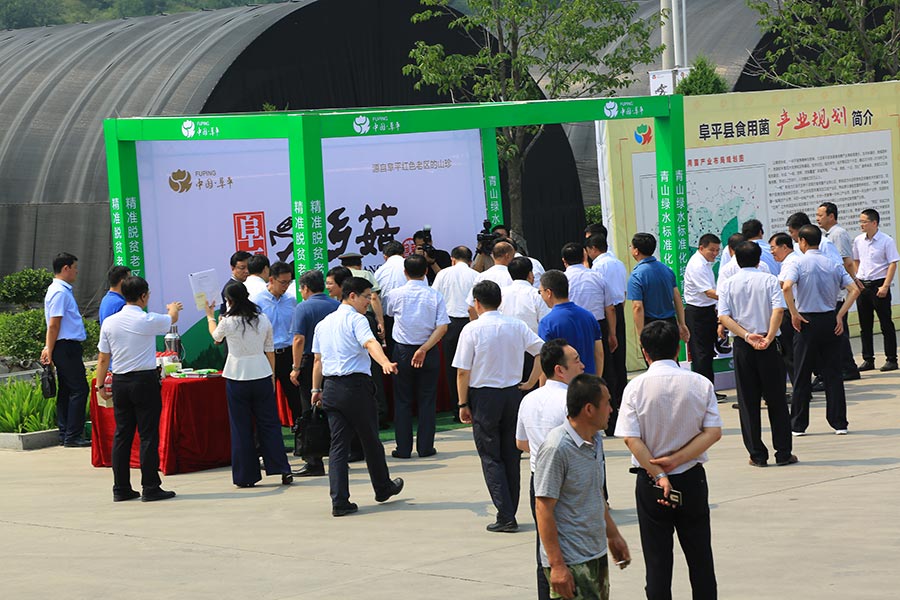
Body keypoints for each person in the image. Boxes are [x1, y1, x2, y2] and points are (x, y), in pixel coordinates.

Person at [615, 320, 722, 600]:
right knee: (700, 557)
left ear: (644, 352)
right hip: (691, 477)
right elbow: (713, 432)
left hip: (651, 481)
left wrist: (659, 472)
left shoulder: (635, 388)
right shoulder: (700, 383)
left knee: (657, 562)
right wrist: (677, 460)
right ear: (678, 348)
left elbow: (630, 438)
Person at [454, 280, 544, 532]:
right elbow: (542, 351)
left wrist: (462, 403)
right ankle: (509, 510)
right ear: (500, 301)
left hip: (484, 396)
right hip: (513, 394)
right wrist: (530, 381)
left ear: (477, 303)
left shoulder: (471, 329)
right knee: (511, 455)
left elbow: (463, 371)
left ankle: (505, 515)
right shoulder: (516, 325)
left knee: (490, 456)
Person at [311, 277, 404, 517]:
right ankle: (382, 487)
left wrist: (316, 390)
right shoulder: (357, 319)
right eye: (366, 297)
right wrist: (384, 362)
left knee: (338, 446)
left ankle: (339, 501)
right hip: (355, 388)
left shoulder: (324, 324)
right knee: (370, 440)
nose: (369, 302)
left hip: (331, 388)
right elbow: (370, 343)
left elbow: (318, 361)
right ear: (352, 296)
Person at [535, 374, 631, 600]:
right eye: (607, 403)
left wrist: (613, 535)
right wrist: (557, 565)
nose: (611, 409)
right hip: (571, 562)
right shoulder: (557, 448)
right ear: (589, 409)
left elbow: (595, 493)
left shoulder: (595, 440)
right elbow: (543, 508)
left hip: (594, 554)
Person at [95, 276, 182, 502]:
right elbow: (172, 318)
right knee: (148, 435)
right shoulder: (146, 319)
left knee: (122, 435)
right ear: (143, 296)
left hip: (120, 382)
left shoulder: (110, 322)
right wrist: (173, 308)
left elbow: (103, 358)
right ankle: (150, 486)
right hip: (144, 381)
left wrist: (100, 385)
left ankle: (121, 488)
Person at [205, 281, 293, 488]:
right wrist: (272, 377)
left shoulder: (228, 321)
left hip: (237, 376)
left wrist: (210, 316)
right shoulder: (262, 318)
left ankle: (245, 476)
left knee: (241, 427)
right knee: (270, 425)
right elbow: (269, 350)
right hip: (261, 373)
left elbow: (216, 337)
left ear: (229, 300)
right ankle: (282, 468)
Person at [516, 339, 585, 600]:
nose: (582, 365)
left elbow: (521, 443)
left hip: (539, 480)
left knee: (545, 549)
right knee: (576, 551)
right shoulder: (571, 401)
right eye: (576, 360)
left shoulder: (528, 400)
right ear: (560, 369)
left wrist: (541, 451)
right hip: (569, 481)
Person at [717, 242, 796, 467]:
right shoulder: (770, 280)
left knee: (748, 401)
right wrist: (769, 337)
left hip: (744, 345)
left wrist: (745, 335)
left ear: (736, 258)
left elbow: (724, 317)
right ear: (759, 258)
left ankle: (757, 454)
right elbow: (778, 310)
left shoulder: (728, 284)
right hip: (768, 345)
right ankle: (783, 452)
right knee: (776, 399)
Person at [781, 225, 859, 435]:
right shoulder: (832, 263)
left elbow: (786, 287)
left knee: (802, 373)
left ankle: (798, 424)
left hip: (806, 321)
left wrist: (793, 313)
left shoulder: (797, 262)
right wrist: (840, 314)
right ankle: (839, 423)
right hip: (829, 319)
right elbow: (854, 290)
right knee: (833, 373)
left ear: (803, 241)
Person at [383, 254, 450, 458]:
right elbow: (442, 327)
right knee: (427, 400)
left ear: (405, 272)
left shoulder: (395, 294)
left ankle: (403, 449)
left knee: (402, 400)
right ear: (426, 271)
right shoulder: (435, 295)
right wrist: (424, 349)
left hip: (403, 351)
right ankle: (425, 447)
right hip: (428, 350)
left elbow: (390, 313)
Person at [289, 270, 340, 477]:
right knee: (333, 410)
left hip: (311, 361)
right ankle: (338, 457)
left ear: (305, 288)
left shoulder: (303, 308)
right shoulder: (336, 305)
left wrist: (296, 367)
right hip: (334, 360)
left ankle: (313, 461)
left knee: (309, 409)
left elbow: (298, 339)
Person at [40, 252, 91, 448]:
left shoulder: (59, 290)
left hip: (64, 346)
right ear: (65, 268)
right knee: (79, 389)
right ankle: (73, 435)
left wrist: (50, 347)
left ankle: (65, 433)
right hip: (66, 346)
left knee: (67, 390)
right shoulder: (60, 292)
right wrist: (49, 348)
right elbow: (54, 324)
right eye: (75, 268)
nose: (77, 271)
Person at [339, 252, 389, 429]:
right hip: (365, 318)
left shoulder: (339, 276)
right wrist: (380, 321)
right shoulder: (366, 275)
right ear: (359, 264)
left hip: (344, 320)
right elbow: (374, 297)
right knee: (373, 368)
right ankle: (380, 413)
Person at [250, 261, 300, 430]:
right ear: (271, 280)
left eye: (289, 282)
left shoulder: (291, 300)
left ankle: (302, 433)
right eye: (283, 282)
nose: (286, 286)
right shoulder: (256, 301)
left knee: (295, 396)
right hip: (265, 355)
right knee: (265, 395)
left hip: (287, 353)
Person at [586, 233, 627, 433]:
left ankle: (611, 408)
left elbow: (603, 299)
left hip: (605, 313)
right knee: (619, 361)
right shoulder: (618, 263)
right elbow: (623, 293)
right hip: (618, 310)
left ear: (593, 249)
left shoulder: (597, 268)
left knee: (607, 364)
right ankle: (622, 404)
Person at [817, 202, 863, 380]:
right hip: (834, 289)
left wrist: (853, 281)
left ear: (831, 216)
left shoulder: (838, 234)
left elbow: (846, 262)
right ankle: (845, 366)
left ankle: (849, 368)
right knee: (837, 331)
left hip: (840, 289)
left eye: (820, 215)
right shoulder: (827, 235)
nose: (817, 218)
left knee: (839, 330)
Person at [432, 246, 478, 417]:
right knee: (473, 365)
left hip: (450, 324)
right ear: (470, 261)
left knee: (453, 366)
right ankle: (473, 404)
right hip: (472, 322)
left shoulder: (443, 274)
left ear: (452, 259)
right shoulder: (476, 275)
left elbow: (434, 298)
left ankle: (457, 407)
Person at [853, 208, 900, 372]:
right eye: (860, 221)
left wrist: (885, 285)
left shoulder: (886, 240)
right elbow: (856, 260)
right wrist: (857, 279)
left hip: (879, 284)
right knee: (865, 325)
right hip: (863, 286)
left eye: (864, 222)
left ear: (874, 223)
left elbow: (893, 263)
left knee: (886, 323)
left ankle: (891, 359)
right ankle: (868, 359)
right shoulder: (858, 240)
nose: (861, 225)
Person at [538, 270, 604, 377]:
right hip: (588, 380)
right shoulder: (589, 316)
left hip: (563, 382)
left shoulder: (547, 323)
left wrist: (543, 386)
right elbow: (599, 353)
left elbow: (545, 364)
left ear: (549, 292)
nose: (541, 295)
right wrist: (597, 379)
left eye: (540, 291)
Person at [627, 233, 690, 341]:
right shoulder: (667, 270)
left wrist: (641, 335)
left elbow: (637, 307)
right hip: (670, 324)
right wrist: (682, 324)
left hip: (651, 327)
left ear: (636, 251)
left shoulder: (636, 275)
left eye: (631, 246)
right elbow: (677, 297)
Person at [562, 242, 617, 358]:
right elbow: (610, 308)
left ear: (564, 260)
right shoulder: (598, 277)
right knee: (602, 362)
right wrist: (612, 334)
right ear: (584, 256)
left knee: (575, 362)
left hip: (572, 326)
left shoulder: (562, 280)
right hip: (597, 325)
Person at [683, 234, 721, 388]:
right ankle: (702, 390)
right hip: (697, 313)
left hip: (707, 311)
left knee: (708, 352)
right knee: (701, 354)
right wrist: (732, 298)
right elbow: (709, 292)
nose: (715, 253)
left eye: (717, 250)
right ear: (701, 248)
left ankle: (709, 389)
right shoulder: (697, 265)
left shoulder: (706, 263)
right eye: (712, 250)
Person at [769, 233, 801, 389]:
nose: (772, 252)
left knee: (790, 353)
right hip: (793, 309)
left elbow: (784, 285)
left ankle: (800, 390)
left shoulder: (791, 262)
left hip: (790, 310)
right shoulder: (790, 261)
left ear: (784, 247)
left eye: (773, 248)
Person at [500, 256, 549, 335]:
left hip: (507, 340)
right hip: (533, 340)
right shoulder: (537, 295)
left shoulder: (501, 294)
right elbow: (545, 322)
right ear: (530, 274)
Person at [466, 240, 515, 317]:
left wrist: (476, 322)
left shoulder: (481, 276)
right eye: (513, 256)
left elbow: (471, 307)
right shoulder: (513, 276)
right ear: (507, 256)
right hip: (509, 320)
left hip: (484, 320)